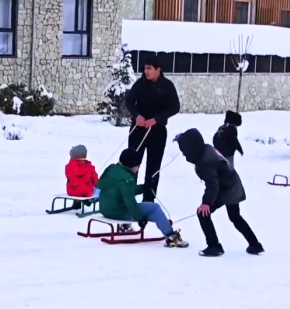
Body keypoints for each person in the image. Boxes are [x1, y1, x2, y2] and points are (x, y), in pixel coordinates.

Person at [174, 128, 262, 257]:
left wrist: (206, 203)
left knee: (203, 213)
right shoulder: (206, 150)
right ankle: (255, 244)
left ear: (192, 148)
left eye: (184, 150)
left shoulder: (205, 161)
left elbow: (212, 184)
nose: (184, 154)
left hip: (227, 188)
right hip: (231, 184)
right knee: (235, 217)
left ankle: (214, 246)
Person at [96, 149, 188, 248]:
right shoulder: (127, 178)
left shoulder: (112, 169)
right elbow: (129, 201)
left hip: (105, 209)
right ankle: (171, 236)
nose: (138, 168)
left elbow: (122, 191)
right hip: (118, 212)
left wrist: (144, 187)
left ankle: (164, 224)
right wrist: (139, 218)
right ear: (131, 165)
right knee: (154, 208)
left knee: (150, 211)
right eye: (137, 165)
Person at [124, 54, 181, 202]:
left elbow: (175, 107)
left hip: (157, 131)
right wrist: (137, 115)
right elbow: (129, 102)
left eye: (149, 68)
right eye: (145, 68)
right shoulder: (140, 84)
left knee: (153, 167)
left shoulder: (167, 86)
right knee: (132, 164)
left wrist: (156, 119)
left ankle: (149, 200)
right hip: (138, 129)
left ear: (158, 70)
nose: (146, 71)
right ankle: (127, 197)